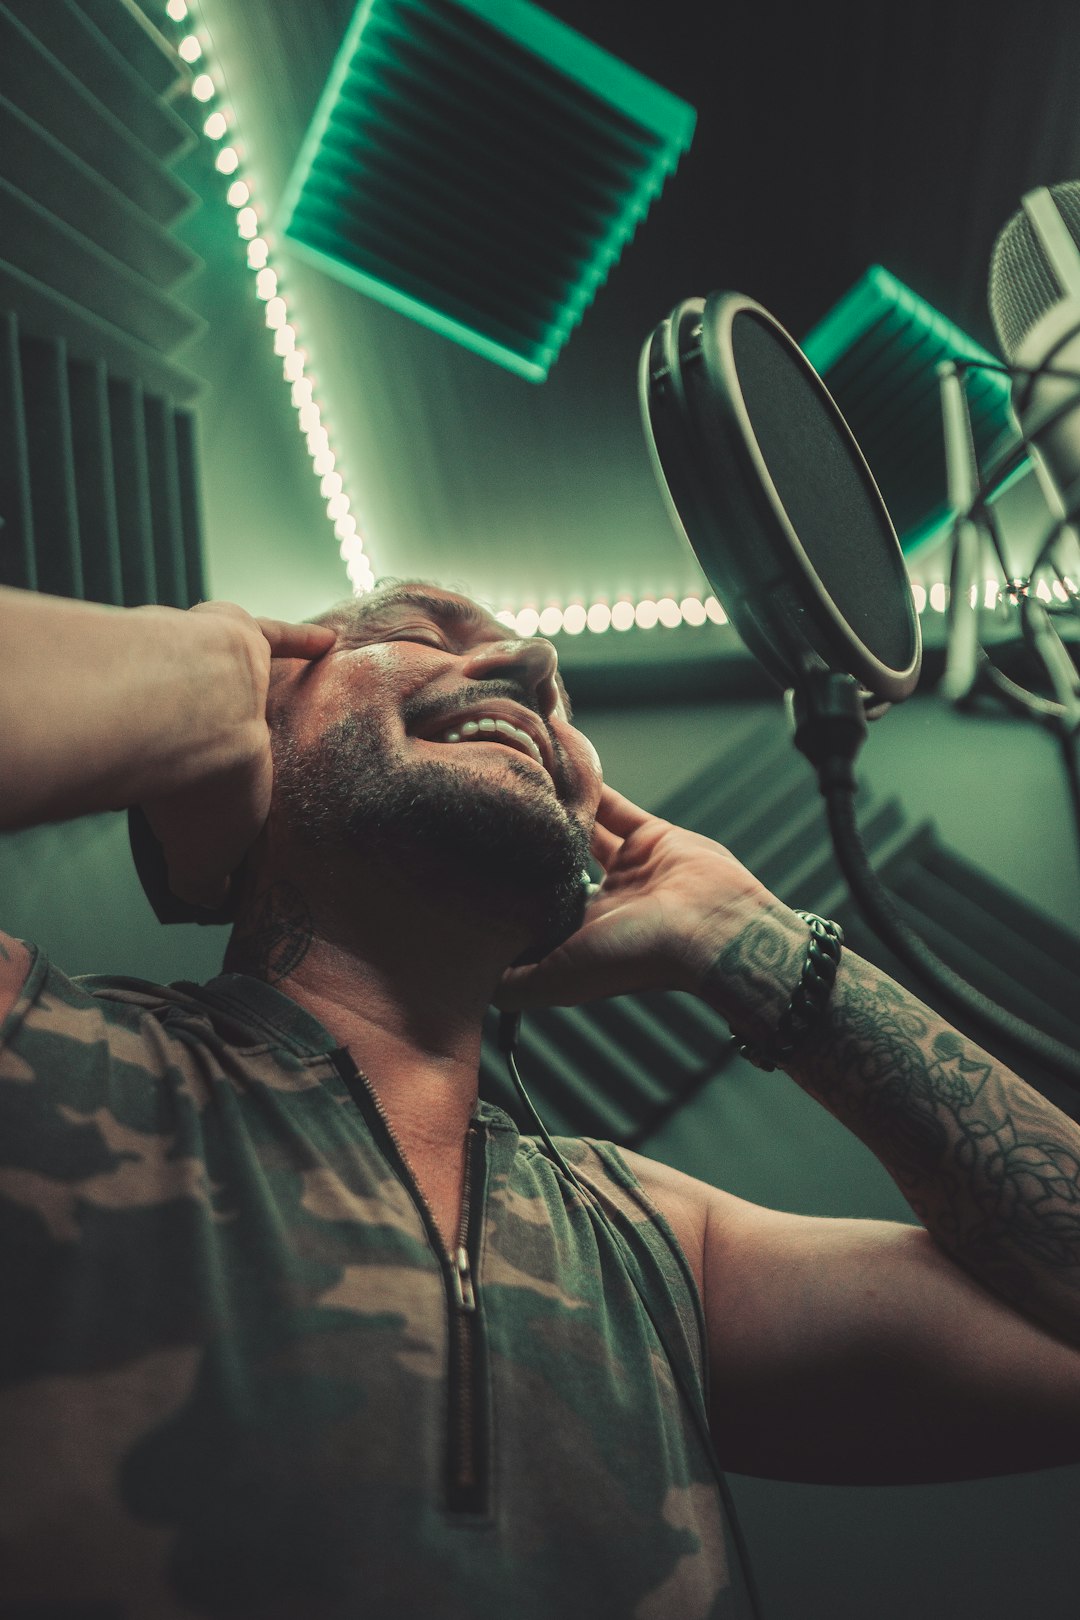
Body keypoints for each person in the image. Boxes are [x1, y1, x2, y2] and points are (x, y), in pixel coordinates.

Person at [1, 577, 1079, 1619]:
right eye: (418, 627)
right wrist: (190, 680)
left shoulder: (655, 1245)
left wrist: (738, 931)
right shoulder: (43, 1050)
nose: (533, 664)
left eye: (557, 701)